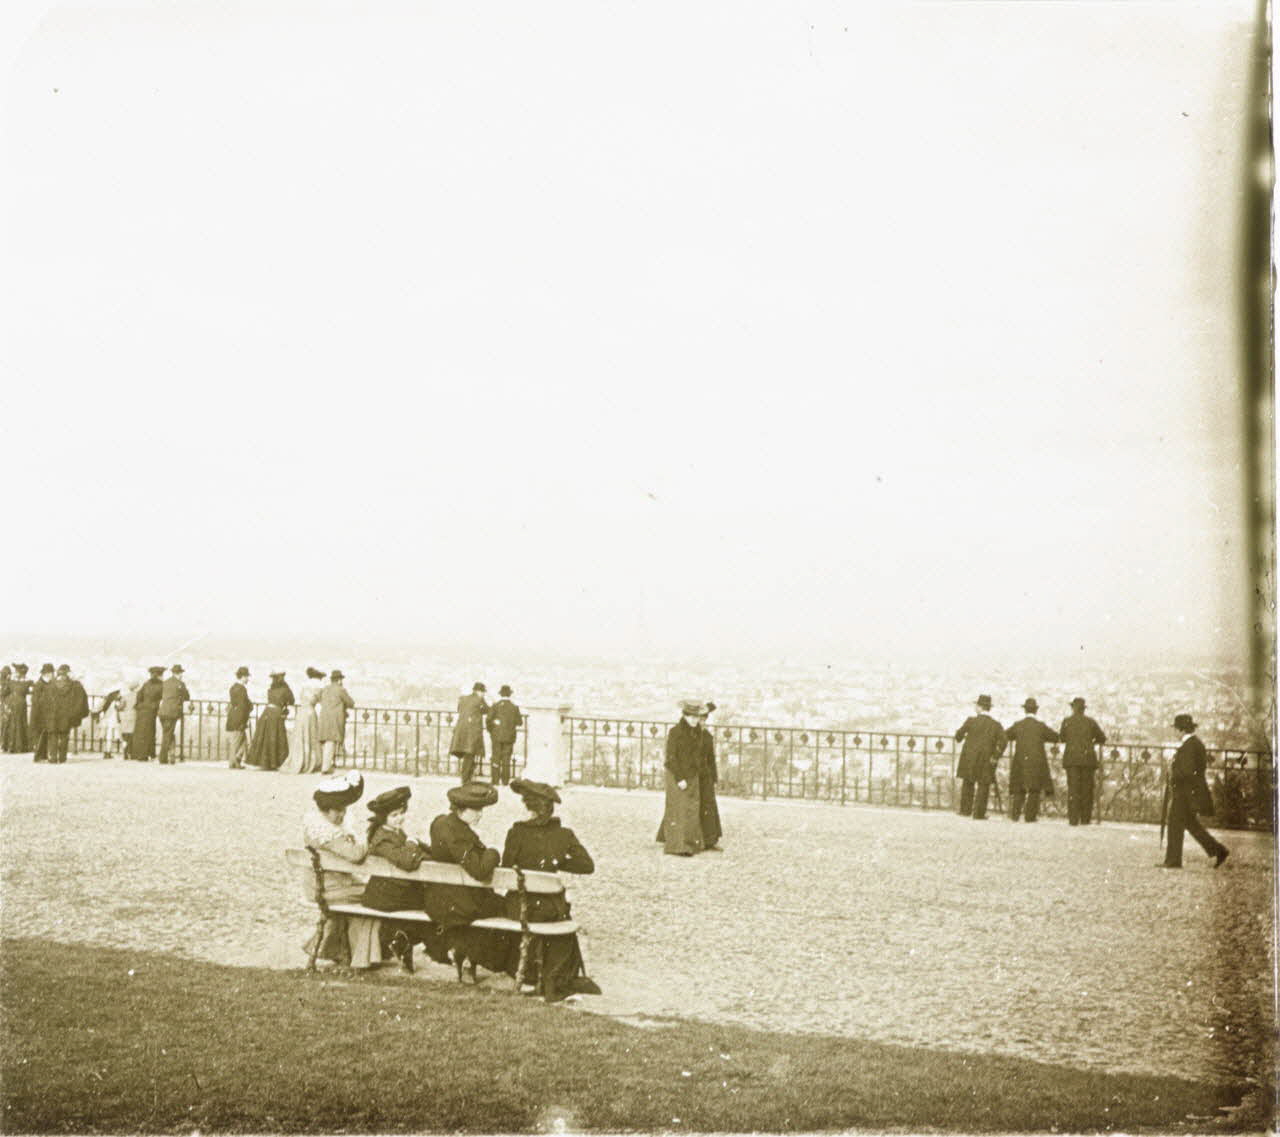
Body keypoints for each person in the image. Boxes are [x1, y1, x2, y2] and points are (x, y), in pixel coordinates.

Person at [502, 778, 602, 1002]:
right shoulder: (563, 834)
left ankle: (525, 969)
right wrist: (557, 862)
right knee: (560, 916)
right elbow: (587, 865)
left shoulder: (516, 832)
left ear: (528, 807)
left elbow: (507, 869)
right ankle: (556, 972)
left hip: (519, 908)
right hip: (549, 910)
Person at [423, 781, 517, 978]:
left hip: (439, 896)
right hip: (459, 901)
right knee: (504, 908)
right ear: (461, 810)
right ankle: (474, 958)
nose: (480, 814)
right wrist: (493, 852)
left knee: (494, 907)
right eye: (476, 810)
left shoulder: (440, 823)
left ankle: (466, 956)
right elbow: (479, 870)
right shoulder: (458, 835)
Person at [299, 771, 381, 967]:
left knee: (370, 895)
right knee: (376, 897)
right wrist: (370, 839)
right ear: (325, 811)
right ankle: (361, 957)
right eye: (337, 811)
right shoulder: (324, 831)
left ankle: (338, 950)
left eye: (343, 810)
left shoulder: (321, 826)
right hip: (328, 889)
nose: (342, 815)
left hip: (323, 885)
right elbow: (355, 854)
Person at [361, 785, 431, 972]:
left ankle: (401, 942)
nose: (399, 818)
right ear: (384, 818)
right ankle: (402, 943)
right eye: (394, 815)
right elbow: (407, 861)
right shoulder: (382, 838)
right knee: (431, 904)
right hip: (384, 895)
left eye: (401, 813)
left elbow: (414, 855)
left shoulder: (395, 832)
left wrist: (418, 849)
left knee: (429, 900)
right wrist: (412, 844)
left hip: (394, 891)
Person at [1161, 714, 1230, 869]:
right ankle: (1219, 850)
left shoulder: (1190, 745)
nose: (1174, 733)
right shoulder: (1194, 743)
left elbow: (1187, 771)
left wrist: (1172, 769)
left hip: (1185, 793)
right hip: (1191, 792)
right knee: (1190, 824)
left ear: (1181, 730)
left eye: (1175, 729)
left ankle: (1173, 860)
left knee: (1175, 823)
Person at [657, 701, 706, 855]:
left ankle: (690, 843)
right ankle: (677, 846)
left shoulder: (698, 732)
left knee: (692, 809)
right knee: (678, 809)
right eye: (691, 717)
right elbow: (671, 758)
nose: (694, 720)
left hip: (692, 775)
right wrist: (679, 778)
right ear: (684, 716)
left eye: (696, 717)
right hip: (677, 775)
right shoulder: (675, 732)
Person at [1005, 698, 1058, 822]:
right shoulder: (1040, 726)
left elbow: (1006, 735)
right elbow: (1055, 736)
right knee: (1034, 788)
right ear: (1036, 710)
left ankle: (1015, 815)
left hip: (1020, 760)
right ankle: (1030, 816)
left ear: (1025, 710)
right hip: (1036, 761)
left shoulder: (1018, 725)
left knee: (1019, 787)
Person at [954, 695, 1006, 820]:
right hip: (986, 758)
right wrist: (996, 756)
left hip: (969, 758)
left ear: (979, 707)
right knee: (984, 785)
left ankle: (965, 810)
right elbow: (1004, 741)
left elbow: (958, 736)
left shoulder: (970, 721)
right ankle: (979, 813)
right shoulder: (995, 725)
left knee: (968, 782)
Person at [1059, 697, 1107, 826]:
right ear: (1084, 709)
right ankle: (1085, 818)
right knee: (1087, 789)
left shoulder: (1067, 721)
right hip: (1087, 760)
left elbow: (1062, 738)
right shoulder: (1091, 722)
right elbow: (1102, 738)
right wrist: (1091, 743)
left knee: (1073, 789)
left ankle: (1073, 819)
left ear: (1073, 708)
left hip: (1072, 759)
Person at [247, 671, 294, 770]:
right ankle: (275, 763)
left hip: (267, 712)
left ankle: (265, 763)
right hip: (276, 713)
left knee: (266, 737)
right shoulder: (285, 689)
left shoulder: (270, 690)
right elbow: (291, 700)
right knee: (277, 737)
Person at [282, 667, 325, 774]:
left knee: (301, 736)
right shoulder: (319, 686)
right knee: (311, 736)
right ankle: (310, 761)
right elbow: (321, 701)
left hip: (301, 712)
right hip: (310, 713)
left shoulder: (304, 685)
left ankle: (299, 760)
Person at [45, 665, 90, 764]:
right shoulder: (73, 685)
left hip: (53, 714)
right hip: (66, 715)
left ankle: (52, 757)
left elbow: (45, 701)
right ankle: (62, 757)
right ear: (67, 673)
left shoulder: (51, 685)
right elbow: (82, 697)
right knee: (64, 735)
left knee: (53, 735)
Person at [316, 670, 355, 774]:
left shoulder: (325, 689)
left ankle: (326, 764)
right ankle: (326, 767)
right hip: (335, 719)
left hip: (324, 717)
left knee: (326, 742)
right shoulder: (341, 690)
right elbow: (351, 703)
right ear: (339, 680)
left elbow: (319, 699)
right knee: (331, 741)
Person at [450, 682, 489, 783]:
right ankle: (466, 778)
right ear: (479, 692)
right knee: (470, 755)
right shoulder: (480, 700)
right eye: (483, 692)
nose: (484, 694)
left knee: (466, 754)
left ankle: (465, 777)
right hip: (473, 732)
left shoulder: (463, 699)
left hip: (461, 731)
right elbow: (487, 710)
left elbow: (459, 709)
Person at [697, 702, 723, 850]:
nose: (701, 722)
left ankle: (709, 839)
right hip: (693, 774)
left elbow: (711, 759)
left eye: (703, 720)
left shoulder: (707, 736)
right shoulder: (690, 736)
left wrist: (714, 777)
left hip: (705, 775)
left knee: (708, 804)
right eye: (699, 719)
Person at [486, 685, 523, 784]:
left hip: (496, 736)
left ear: (500, 694)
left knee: (496, 758)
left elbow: (488, 720)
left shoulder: (495, 706)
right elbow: (520, 722)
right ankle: (505, 781)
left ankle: (495, 780)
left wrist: (492, 731)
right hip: (509, 737)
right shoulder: (514, 707)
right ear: (510, 694)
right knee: (506, 758)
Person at [157, 663, 191, 764]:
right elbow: (187, 697)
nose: (182, 675)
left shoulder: (165, 682)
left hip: (162, 711)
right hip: (172, 712)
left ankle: (171, 755)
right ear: (179, 673)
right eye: (181, 673)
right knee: (168, 734)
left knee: (167, 733)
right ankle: (163, 758)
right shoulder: (180, 684)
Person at [130, 666, 165, 760]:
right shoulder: (161, 685)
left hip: (142, 711)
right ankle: (146, 754)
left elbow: (139, 696)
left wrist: (139, 706)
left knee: (140, 732)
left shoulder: (146, 684)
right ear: (160, 675)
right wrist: (155, 706)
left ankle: (138, 754)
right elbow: (161, 698)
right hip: (151, 711)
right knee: (149, 732)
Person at [225, 666, 252, 769]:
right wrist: (242, 721)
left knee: (241, 741)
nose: (248, 679)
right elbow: (242, 706)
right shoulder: (241, 689)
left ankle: (236, 761)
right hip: (238, 719)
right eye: (246, 677)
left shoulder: (233, 687)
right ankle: (233, 763)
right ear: (243, 677)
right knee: (237, 741)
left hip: (233, 717)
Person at [2, 663, 32, 753]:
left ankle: (13, 746)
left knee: (14, 724)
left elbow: (4, 693)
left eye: (16, 672)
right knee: (17, 724)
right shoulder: (26, 683)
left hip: (16, 705)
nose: (15, 673)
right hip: (18, 705)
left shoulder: (12, 682)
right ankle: (19, 746)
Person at [29, 663, 55, 763]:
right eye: (52, 673)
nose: (53, 675)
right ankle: (38, 756)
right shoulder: (39, 684)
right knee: (40, 734)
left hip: (46, 713)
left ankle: (42, 755)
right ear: (48, 674)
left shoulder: (47, 684)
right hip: (39, 713)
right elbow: (35, 700)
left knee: (44, 733)